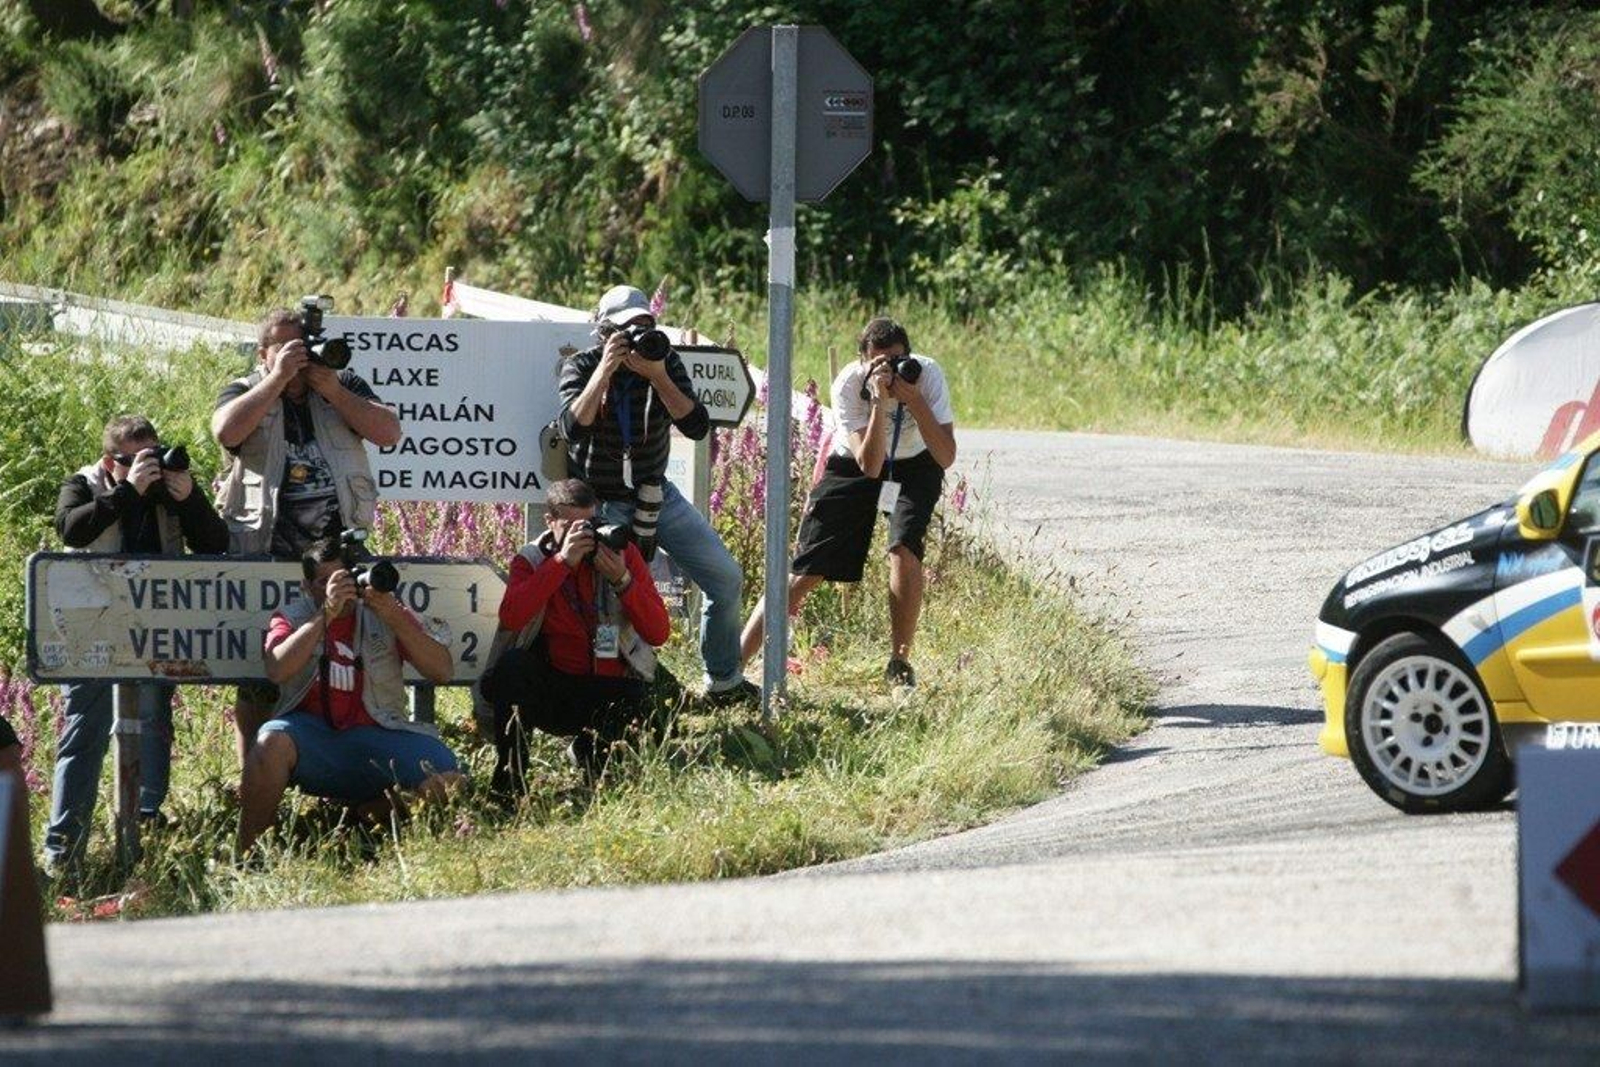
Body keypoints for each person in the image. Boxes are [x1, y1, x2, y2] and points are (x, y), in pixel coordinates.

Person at [212, 308, 401, 763]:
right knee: (260, 677)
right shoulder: (247, 388)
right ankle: (253, 775)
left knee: (350, 658)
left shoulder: (338, 384)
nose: (299, 353)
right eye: (284, 345)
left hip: (338, 556)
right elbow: (226, 430)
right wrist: (276, 381)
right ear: (263, 352)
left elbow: (389, 432)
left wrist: (333, 389)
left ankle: (344, 764)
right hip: (266, 550)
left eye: (304, 343)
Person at [44, 415, 229, 873]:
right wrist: (127, 492)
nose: (151, 465)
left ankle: (145, 829)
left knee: (152, 725)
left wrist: (189, 500)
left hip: (153, 627)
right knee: (83, 732)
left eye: (155, 453)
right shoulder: (84, 483)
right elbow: (71, 529)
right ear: (112, 460)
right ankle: (65, 851)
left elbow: (215, 543)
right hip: (92, 630)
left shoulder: (170, 489)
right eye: (136, 458)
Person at [558, 284, 755, 703]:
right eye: (628, 330)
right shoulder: (582, 365)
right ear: (604, 332)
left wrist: (659, 374)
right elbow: (571, 428)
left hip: (656, 494)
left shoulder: (665, 362)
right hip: (602, 502)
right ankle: (626, 688)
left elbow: (698, 426)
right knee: (611, 602)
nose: (638, 337)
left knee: (725, 578)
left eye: (646, 325)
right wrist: (604, 371)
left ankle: (722, 681)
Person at [740, 317, 957, 689]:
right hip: (858, 458)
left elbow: (946, 455)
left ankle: (899, 662)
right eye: (880, 363)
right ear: (864, 361)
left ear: (910, 354)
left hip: (917, 462)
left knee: (904, 548)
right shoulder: (849, 383)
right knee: (807, 568)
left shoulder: (927, 375)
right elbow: (869, 466)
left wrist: (915, 400)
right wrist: (879, 402)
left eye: (898, 360)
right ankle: (733, 663)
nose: (890, 371)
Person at [237, 537, 459, 853]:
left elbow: (442, 671)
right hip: (313, 737)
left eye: (342, 579)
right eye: (324, 582)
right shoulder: (292, 615)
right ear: (306, 586)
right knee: (268, 743)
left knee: (451, 778)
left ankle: (371, 814)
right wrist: (324, 615)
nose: (336, 588)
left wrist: (394, 615)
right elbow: (277, 669)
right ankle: (249, 855)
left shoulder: (383, 612)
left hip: (380, 731)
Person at [481, 478, 671, 791]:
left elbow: (659, 632)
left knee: (643, 710)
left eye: (590, 524)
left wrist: (622, 580)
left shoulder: (622, 554)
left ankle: (589, 756)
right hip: (554, 686)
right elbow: (512, 618)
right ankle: (509, 781)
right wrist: (560, 563)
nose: (583, 535)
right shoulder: (532, 559)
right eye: (571, 527)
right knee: (513, 667)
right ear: (550, 522)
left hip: (609, 686)